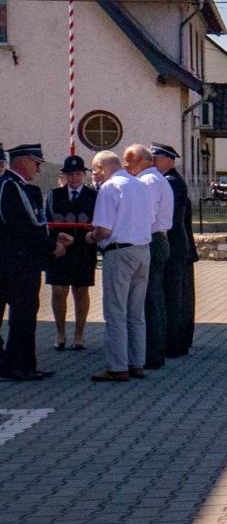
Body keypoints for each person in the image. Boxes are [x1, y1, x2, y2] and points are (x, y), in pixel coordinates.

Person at [1, 143, 72, 380]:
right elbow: (22, 227)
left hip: (22, 261)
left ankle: (23, 364)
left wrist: (53, 236)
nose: (39, 169)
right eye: (36, 163)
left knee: (26, 313)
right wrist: (52, 246)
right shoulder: (10, 187)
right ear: (22, 161)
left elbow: (34, 224)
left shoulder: (20, 187)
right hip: (15, 262)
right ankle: (17, 365)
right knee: (22, 315)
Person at [87, 150, 153, 382]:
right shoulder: (140, 185)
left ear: (103, 168)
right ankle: (137, 363)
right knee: (136, 313)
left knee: (115, 312)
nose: (95, 176)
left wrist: (91, 237)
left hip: (119, 252)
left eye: (96, 171)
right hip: (143, 250)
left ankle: (117, 366)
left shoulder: (109, 188)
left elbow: (104, 229)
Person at [125, 145, 174, 372]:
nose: (127, 167)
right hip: (157, 239)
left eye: (129, 162)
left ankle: (151, 353)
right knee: (153, 297)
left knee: (150, 299)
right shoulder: (155, 179)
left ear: (142, 161)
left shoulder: (148, 182)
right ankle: (154, 350)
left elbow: (147, 214)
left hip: (151, 239)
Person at [46, 154, 98, 352]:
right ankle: (60, 333)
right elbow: (49, 221)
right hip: (61, 250)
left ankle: (79, 335)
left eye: (77, 174)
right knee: (59, 291)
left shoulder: (92, 196)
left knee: (80, 291)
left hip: (83, 250)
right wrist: (58, 237)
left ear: (83, 175)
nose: (74, 178)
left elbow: (97, 221)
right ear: (65, 176)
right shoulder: (55, 195)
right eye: (70, 175)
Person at [152, 143, 196, 357]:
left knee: (174, 297)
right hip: (179, 246)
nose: (153, 162)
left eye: (156, 158)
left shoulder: (170, 182)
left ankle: (174, 343)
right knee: (179, 297)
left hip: (174, 246)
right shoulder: (171, 181)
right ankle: (178, 341)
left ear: (169, 159)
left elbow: (170, 219)